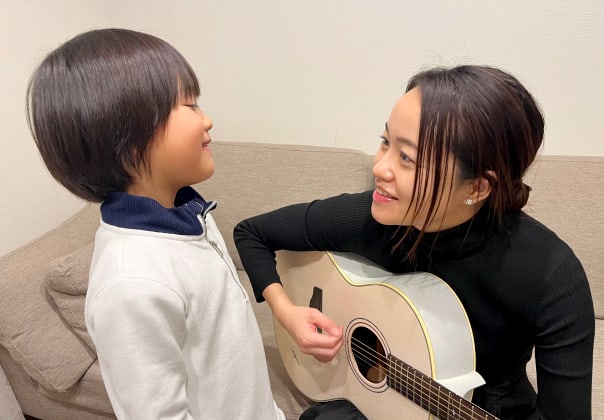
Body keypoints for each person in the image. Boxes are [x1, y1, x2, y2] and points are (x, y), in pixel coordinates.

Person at [234, 65, 594, 419]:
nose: (379, 167)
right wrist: (289, 315)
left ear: (477, 187)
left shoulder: (552, 275)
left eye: (407, 158)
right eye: (385, 142)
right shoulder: (377, 217)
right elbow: (251, 233)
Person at [27, 28, 285, 420]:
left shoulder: (189, 213)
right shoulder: (131, 282)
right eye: (190, 105)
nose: (207, 120)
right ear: (129, 137)